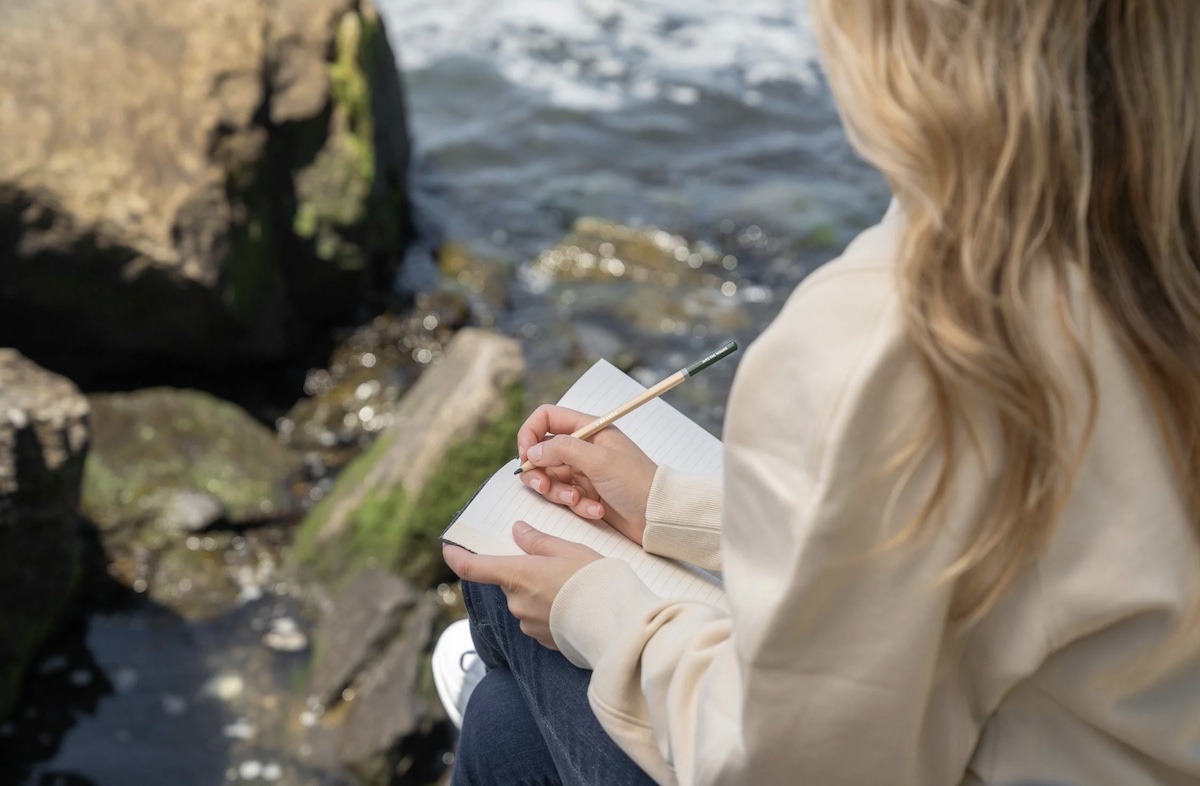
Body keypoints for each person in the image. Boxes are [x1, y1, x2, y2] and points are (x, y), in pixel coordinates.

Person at [440, 1, 1200, 784]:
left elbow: (793, 765)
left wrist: (594, 610)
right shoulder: (1153, 254)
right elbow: (966, 547)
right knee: (506, 723)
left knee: (512, 621)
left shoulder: (902, 332)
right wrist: (672, 509)